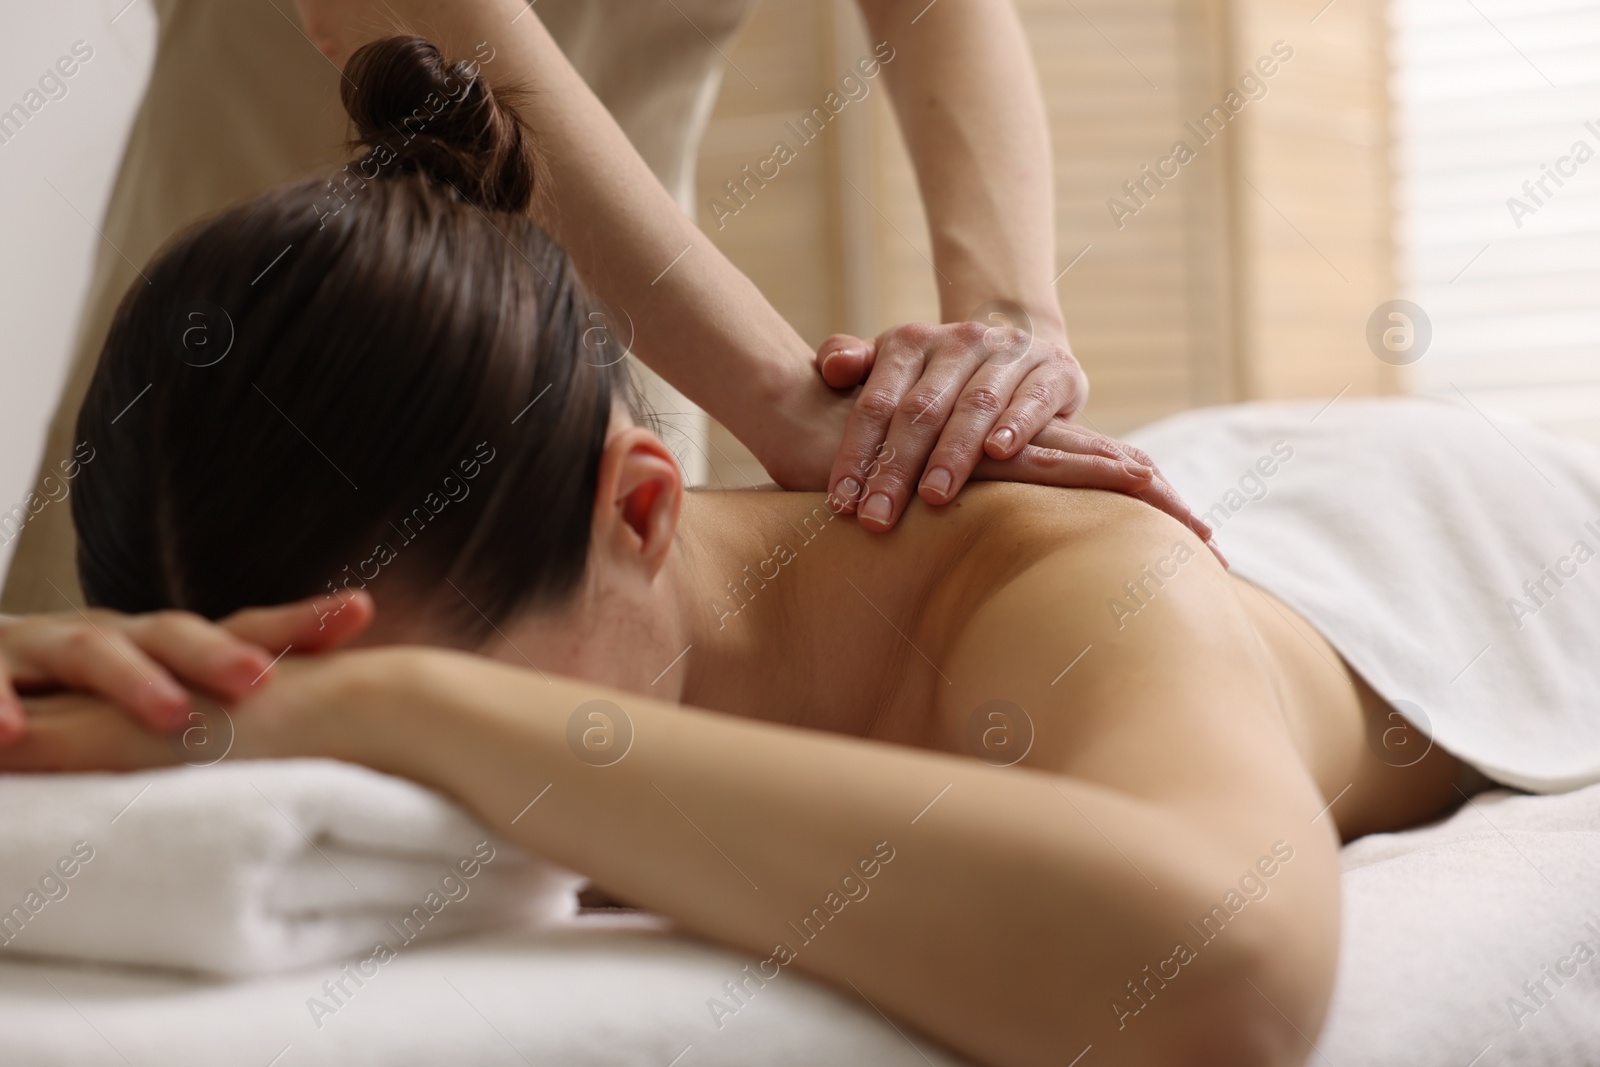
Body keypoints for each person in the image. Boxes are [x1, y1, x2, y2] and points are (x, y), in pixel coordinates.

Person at [0, 38, 1491, 1066]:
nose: (355, 785)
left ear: (643, 504)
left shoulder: (1062, 586)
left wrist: (399, 713)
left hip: (1417, 508)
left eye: (385, 752)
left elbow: (1221, 975)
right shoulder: (543, 575)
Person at [0, 0, 1213, 617]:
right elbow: (393, 12)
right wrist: (782, 397)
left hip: (620, 363)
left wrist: (1006, 328)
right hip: (251, 382)